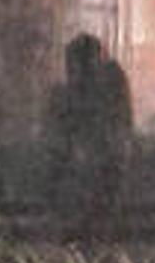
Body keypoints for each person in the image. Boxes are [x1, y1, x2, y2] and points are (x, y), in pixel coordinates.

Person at [38, 34, 132, 224]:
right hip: (75, 193)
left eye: (75, 64)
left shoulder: (104, 95)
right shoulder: (63, 98)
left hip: (94, 190)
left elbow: (117, 135)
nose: (71, 71)